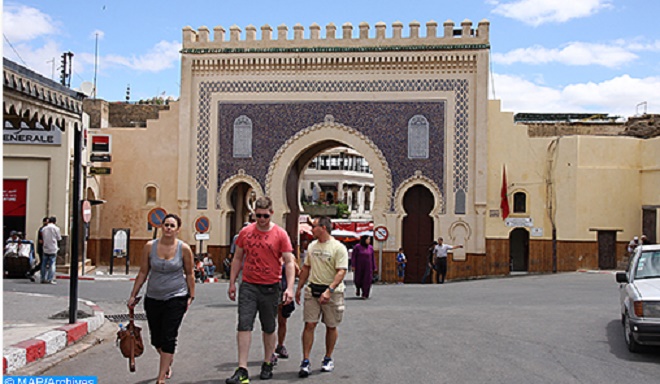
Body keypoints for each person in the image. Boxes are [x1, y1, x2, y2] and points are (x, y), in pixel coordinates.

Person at [226, 196, 295, 384]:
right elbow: (238, 258)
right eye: (258, 216)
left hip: (271, 287)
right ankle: (242, 369)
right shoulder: (246, 232)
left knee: (269, 327)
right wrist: (232, 282)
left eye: (265, 216)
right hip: (248, 285)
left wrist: (289, 287)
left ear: (272, 213)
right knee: (244, 324)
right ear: (254, 214)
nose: (262, 219)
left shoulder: (280, 234)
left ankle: (267, 361)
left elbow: (289, 262)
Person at [127, 213, 195, 384]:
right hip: (153, 298)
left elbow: (189, 273)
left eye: (172, 225)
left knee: (169, 335)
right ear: (161, 227)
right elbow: (143, 272)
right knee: (156, 339)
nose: (168, 228)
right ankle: (167, 360)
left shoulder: (184, 249)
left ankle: (160, 377)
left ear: (178, 229)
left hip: (176, 297)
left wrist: (191, 295)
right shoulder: (150, 247)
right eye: (166, 225)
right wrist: (133, 294)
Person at [295, 216, 349, 378]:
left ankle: (328, 357)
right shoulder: (312, 246)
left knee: (331, 325)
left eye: (314, 226)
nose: (312, 229)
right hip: (313, 290)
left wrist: (329, 290)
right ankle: (305, 360)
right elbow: (306, 267)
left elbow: (341, 271)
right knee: (309, 324)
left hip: (332, 293)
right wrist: (299, 288)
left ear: (323, 228)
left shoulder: (338, 248)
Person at [274, 256, 301, 361]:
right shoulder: (271, 253)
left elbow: (298, 272)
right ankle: (270, 350)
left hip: (284, 291)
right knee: (270, 322)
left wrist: (294, 266)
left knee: (282, 321)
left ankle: (280, 345)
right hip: (270, 290)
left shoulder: (289, 256)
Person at [351, 235, 375, 299]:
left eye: (370, 240)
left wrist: (374, 267)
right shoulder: (357, 247)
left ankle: (365, 294)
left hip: (368, 267)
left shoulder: (370, 248)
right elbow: (353, 257)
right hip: (359, 266)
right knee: (358, 279)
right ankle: (358, 288)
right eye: (368, 239)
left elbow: (372, 258)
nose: (369, 241)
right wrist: (353, 265)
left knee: (367, 280)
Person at [40, 217, 61, 284]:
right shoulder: (56, 228)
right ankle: (50, 279)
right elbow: (59, 238)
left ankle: (43, 278)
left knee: (44, 264)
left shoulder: (43, 229)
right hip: (53, 248)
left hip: (45, 247)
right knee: (52, 264)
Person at [27, 217, 48, 282]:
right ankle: (32, 272)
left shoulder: (46, 229)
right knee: (42, 263)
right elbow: (41, 240)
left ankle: (34, 273)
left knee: (44, 263)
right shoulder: (42, 229)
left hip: (45, 248)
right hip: (42, 249)